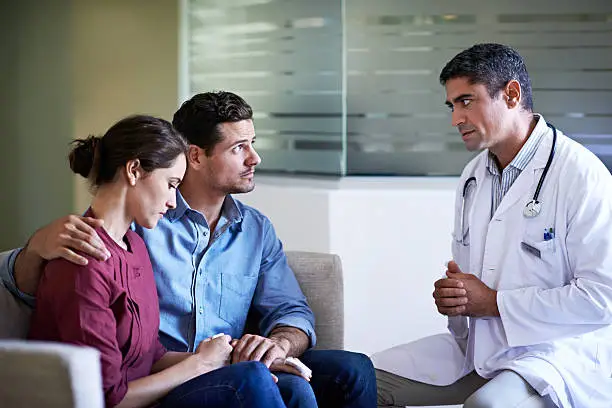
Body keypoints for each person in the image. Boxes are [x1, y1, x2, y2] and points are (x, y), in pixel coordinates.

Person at [1, 92, 376, 408]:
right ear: (195, 157)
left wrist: (271, 347)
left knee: (350, 369)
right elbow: (38, 287)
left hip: (204, 363)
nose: (254, 159)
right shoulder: (136, 227)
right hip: (168, 381)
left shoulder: (247, 230)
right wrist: (37, 246)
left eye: (253, 144)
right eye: (239, 147)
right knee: (270, 385)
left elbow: (290, 309)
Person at [373, 43, 612, 408]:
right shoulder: (473, 177)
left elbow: (602, 299)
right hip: (480, 345)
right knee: (358, 378)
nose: (456, 118)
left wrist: (495, 303)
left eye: (467, 101)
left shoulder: (581, 174)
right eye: (451, 105)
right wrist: (458, 298)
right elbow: (474, 277)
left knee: (486, 406)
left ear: (512, 94)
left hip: (554, 354)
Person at [26, 114, 286, 408]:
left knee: (287, 385)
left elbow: (152, 354)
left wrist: (227, 357)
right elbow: (106, 399)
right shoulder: (82, 262)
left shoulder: (134, 245)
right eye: (171, 184)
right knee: (251, 380)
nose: (174, 201)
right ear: (134, 170)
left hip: (152, 393)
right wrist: (200, 364)